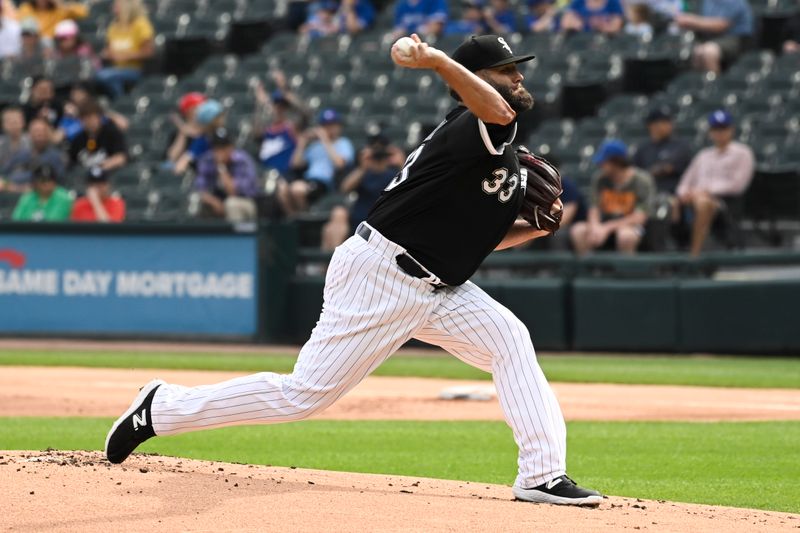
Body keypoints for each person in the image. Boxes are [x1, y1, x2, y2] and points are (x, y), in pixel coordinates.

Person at [105, 33, 604, 508]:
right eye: (506, 70)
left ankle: (542, 474)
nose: (517, 78)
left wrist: (531, 230)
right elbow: (495, 108)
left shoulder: (498, 158)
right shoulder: (470, 127)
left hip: (437, 285)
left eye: (518, 70)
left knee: (509, 339)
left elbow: (478, 239)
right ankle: (162, 407)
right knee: (302, 396)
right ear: (472, 79)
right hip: (382, 275)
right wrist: (435, 62)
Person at [676, 110, 754, 256]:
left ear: (731, 130)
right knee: (671, 203)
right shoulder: (703, 155)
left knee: (703, 202)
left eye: (723, 128)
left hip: (724, 202)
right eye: (716, 129)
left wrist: (705, 191)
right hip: (693, 198)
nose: (719, 133)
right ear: (710, 132)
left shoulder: (742, 153)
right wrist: (684, 193)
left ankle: (695, 254)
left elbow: (738, 185)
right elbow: (685, 182)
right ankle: (670, 250)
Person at [570, 139, 655, 255]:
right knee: (578, 230)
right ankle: (590, 269)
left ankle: (626, 271)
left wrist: (607, 228)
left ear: (617, 162)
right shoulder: (600, 179)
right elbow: (594, 209)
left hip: (632, 227)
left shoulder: (642, 180)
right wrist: (595, 227)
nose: (600, 165)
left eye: (604, 162)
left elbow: (640, 217)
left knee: (625, 235)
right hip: (605, 224)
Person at [321, 133, 404, 250]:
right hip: (360, 223)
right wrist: (363, 167)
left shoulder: (395, 173)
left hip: (385, 224)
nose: (378, 155)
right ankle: (334, 263)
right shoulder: (363, 173)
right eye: (375, 151)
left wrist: (402, 164)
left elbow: (408, 189)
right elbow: (345, 188)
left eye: (382, 151)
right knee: (335, 219)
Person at [282, 108, 355, 215]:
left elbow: (339, 164)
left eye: (333, 124)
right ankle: (296, 218)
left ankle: (304, 218)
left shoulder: (344, 143)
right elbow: (295, 164)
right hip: (309, 180)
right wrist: (302, 142)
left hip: (327, 183)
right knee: (283, 187)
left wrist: (325, 139)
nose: (330, 128)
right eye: (326, 125)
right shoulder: (315, 146)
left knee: (297, 189)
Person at [194, 128, 259, 223]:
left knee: (231, 203)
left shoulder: (242, 160)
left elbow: (233, 192)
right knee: (197, 202)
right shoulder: (207, 160)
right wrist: (213, 201)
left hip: (245, 202)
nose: (219, 152)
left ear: (231, 147)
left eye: (223, 147)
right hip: (218, 201)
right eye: (216, 148)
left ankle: (236, 238)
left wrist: (221, 167)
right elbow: (200, 189)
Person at [253, 69, 310, 177]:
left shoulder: (291, 126)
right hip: (265, 174)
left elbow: (305, 114)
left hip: (286, 175)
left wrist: (286, 92)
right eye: (277, 106)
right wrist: (260, 104)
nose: (279, 109)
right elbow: (256, 133)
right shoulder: (267, 128)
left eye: (283, 106)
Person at [96, 0, 155, 98]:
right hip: (115, 69)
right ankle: (121, 102)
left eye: (116, 6)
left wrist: (125, 56)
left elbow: (149, 52)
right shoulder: (113, 26)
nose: (113, 9)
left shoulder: (141, 24)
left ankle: (120, 101)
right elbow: (109, 49)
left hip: (135, 69)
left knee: (104, 76)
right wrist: (107, 54)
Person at [675, 0, 753, 74]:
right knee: (697, 51)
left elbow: (721, 25)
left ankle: (714, 85)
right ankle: (700, 84)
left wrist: (691, 21)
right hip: (711, 38)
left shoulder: (734, 1)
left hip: (734, 39)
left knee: (709, 52)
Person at [632, 105, 692, 194]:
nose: (669, 125)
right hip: (646, 194)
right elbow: (634, 173)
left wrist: (650, 172)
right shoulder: (643, 149)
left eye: (669, 122)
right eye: (663, 122)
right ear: (651, 125)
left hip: (672, 193)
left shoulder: (680, 145)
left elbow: (670, 167)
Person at [2, 117, 65, 190]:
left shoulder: (55, 156)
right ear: (29, 134)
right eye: (36, 131)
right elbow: (4, 172)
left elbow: (60, 181)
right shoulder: (22, 154)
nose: (39, 134)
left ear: (48, 134)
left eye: (42, 131)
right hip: (15, 192)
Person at [68, 99, 128, 173]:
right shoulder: (78, 139)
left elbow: (121, 157)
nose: (88, 122)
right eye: (84, 118)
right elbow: (72, 163)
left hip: (109, 176)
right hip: (86, 179)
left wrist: (100, 167)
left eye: (91, 117)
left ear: (99, 117)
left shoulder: (111, 133)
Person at [173, 98, 225, 175]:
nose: (222, 120)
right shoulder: (203, 140)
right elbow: (184, 161)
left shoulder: (223, 135)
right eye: (217, 117)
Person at [165, 91, 206, 166]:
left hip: (204, 166)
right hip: (183, 168)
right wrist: (183, 132)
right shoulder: (178, 132)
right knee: (168, 165)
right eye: (197, 108)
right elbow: (172, 158)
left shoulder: (209, 130)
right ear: (189, 111)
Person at [17, 0, 88, 41]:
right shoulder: (26, 8)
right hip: (31, 42)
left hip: (54, 44)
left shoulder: (58, 10)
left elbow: (83, 12)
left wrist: (60, 4)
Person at [300, 0, 375, 38]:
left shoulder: (365, 7)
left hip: (351, 42)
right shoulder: (333, 5)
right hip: (327, 42)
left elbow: (353, 29)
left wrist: (349, 7)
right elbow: (304, 29)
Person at [0, 106, 31, 185]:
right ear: (3, 125)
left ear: (23, 122)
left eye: (16, 121)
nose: (13, 125)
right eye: (9, 122)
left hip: (27, 183)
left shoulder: (32, 141)